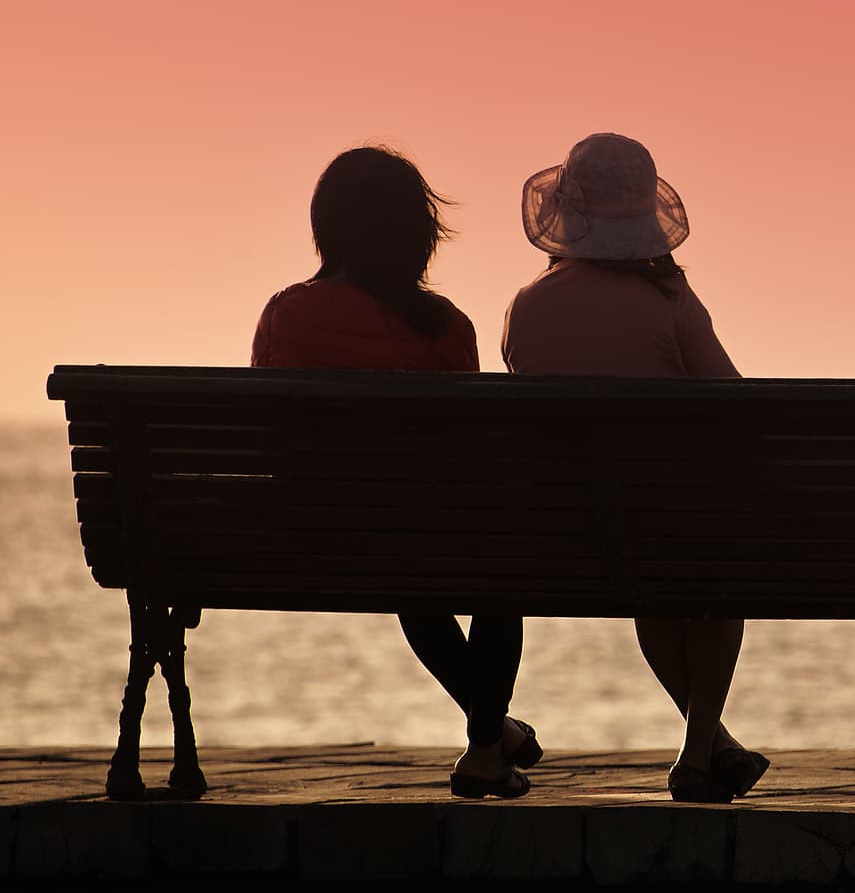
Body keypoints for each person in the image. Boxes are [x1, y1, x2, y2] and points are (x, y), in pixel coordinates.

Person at [252, 145, 538, 799]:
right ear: (420, 234)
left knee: (412, 573)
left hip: (309, 542)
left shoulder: (287, 314)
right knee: (486, 575)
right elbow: (470, 456)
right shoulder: (445, 330)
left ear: (326, 229)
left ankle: (495, 739)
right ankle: (488, 744)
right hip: (416, 537)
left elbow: (267, 436)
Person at [502, 132, 768, 804]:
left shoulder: (527, 308)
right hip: (673, 523)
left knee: (654, 583)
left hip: (574, 538)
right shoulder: (668, 302)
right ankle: (700, 752)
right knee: (712, 581)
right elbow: (736, 406)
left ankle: (711, 750)